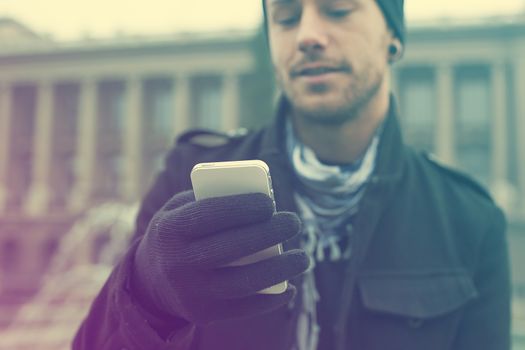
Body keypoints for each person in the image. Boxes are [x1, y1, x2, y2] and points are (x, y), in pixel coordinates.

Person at [73, 0, 511, 349]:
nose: (307, 36)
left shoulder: (470, 219)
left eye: (338, 10)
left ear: (393, 36)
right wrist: (146, 298)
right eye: (285, 18)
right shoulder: (186, 183)